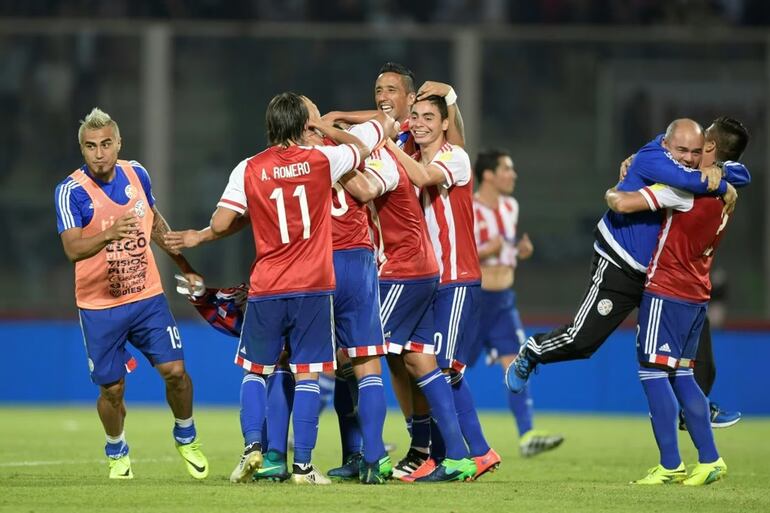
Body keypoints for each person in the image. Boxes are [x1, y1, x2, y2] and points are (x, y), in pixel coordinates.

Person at [169, 92, 379, 485]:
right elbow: (367, 142)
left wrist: (202, 236)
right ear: (304, 126)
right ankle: (303, 467)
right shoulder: (321, 160)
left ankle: (253, 449)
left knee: (255, 371)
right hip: (313, 286)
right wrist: (332, 128)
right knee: (308, 375)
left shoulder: (248, 168)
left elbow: (220, 221)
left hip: (267, 285)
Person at [505, 119, 750, 394]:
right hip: (619, 264)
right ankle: (533, 350)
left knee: (695, 331)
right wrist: (720, 184)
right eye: (683, 151)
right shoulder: (652, 157)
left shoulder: (693, 165)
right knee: (582, 340)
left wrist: (720, 172)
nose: (689, 158)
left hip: (658, 275)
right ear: (667, 144)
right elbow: (682, 180)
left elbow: (743, 174)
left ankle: (699, 407)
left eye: (695, 152)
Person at [54, 107, 209, 480]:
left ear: (118, 143)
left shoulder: (136, 173)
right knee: (112, 390)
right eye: (91, 146)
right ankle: (117, 449)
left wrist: (185, 267)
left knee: (175, 372)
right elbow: (72, 249)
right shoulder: (70, 191)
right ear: (82, 149)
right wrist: (108, 233)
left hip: (146, 298)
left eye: (106, 144)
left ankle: (186, 436)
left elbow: (154, 222)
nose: (99, 153)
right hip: (99, 306)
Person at [605, 116, 749, 485]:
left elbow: (622, 203)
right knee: (684, 375)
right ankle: (710, 459)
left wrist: (625, 178)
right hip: (697, 293)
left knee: (653, 374)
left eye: (697, 149)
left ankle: (670, 463)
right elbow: (738, 173)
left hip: (666, 288)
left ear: (710, 150)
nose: (686, 157)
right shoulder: (723, 187)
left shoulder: (682, 191)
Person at [387, 94, 496, 482]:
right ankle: (470, 452)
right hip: (430, 279)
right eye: (414, 116)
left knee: (442, 368)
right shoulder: (414, 154)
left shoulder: (455, 158)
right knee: (420, 360)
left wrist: (384, 141)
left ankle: (459, 456)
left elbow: (421, 177)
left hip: (456, 277)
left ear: (446, 123)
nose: (419, 122)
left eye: (429, 117)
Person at [471, 149, 564, 457]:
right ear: (488, 175)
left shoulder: (510, 206)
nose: (513, 175)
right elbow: (462, 253)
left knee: (517, 363)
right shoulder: (468, 208)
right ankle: (434, 437)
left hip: (503, 301)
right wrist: (489, 249)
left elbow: (505, 247)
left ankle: (527, 435)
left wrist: (517, 251)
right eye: (507, 169)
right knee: (449, 368)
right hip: (473, 300)